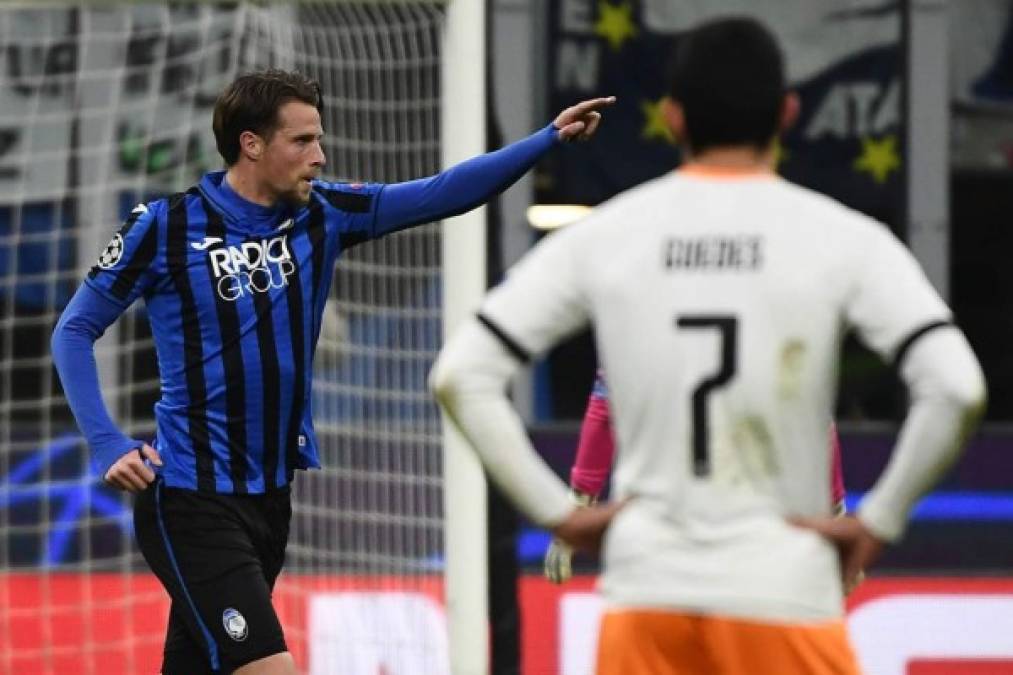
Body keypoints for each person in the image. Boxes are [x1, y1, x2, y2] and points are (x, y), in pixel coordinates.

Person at [431, 16, 985, 675]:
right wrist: (877, 520)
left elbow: (462, 373)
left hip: (648, 594)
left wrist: (563, 512)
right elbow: (955, 387)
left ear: (671, 118)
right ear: (785, 113)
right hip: (783, 593)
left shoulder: (610, 234)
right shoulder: (844, 237)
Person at [50, 69, 613, 675]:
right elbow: (74, 330)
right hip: (190, 496)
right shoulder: (163, 226)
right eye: (302, 141)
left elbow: (443, 191)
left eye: (319, 140)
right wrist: (107, 441)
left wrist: (546, 139)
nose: (319, 156)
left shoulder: (324, 214)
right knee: (269, 667)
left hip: (270, 498)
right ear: (251, 144)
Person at [543, 370, 848, 585]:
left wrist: (579, 504)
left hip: (671, 522)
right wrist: (836, 517)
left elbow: (606, 403)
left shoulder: (651, 300)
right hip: (751, 524)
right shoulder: (768, 308)